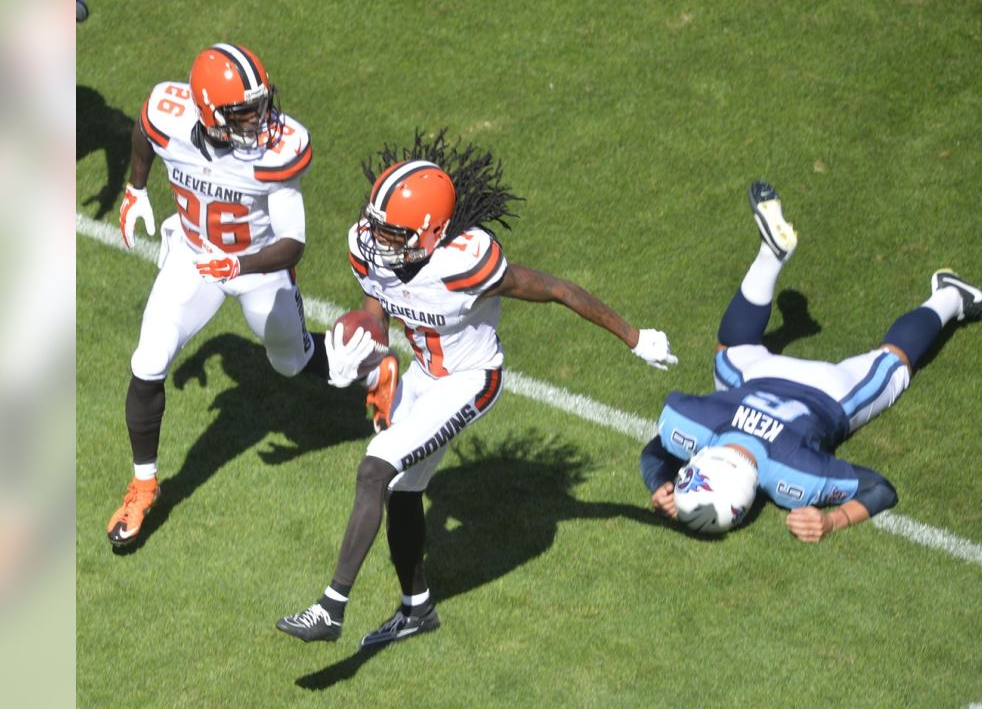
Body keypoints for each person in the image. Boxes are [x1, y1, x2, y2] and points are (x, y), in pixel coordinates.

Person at [276, 130, 677, 646]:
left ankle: (331, 607)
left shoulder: (465, 264)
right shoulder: (371, 247)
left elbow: (558, 289)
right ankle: (417, 609)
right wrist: (368, 330)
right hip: (423, 373)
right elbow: (375, 296)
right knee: (402, 487)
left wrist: (634, 337)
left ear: (434, 232)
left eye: (395, 235)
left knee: (376, 466)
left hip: (470, 381)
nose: (380, 242)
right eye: (379, 229)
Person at [641, 181, 982, 541]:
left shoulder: (793, 477)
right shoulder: (688, 425)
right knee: (728, 349)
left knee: (893, 362)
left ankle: (953, 295)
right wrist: (660, 480)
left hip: (830, 392)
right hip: (756, 375)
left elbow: (880, 488)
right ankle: (769, 255)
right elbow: (660, 447)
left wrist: (832, 521)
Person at [106, 43, 326, 547]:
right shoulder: (170, 114)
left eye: (261, 105)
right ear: (208, 113)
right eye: (245, 112)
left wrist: (239, 264)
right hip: (193, 254)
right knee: (148, 361)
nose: (261, 120)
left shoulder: (278, 150)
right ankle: (143, 485)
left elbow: (293, 243)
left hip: (259, 265)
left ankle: (370, 366)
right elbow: (145, 128)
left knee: (291, 362)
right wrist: (135, 187)